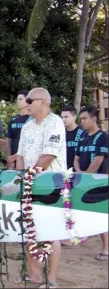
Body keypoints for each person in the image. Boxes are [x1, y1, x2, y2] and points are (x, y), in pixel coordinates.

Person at [15, 87, 65, 288]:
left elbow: (48, 156)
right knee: (30, 228)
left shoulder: (55, 123)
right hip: (28, 182)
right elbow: (19, 154)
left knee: (50, 233)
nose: (26, 104)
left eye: (30, 100)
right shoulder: (27, 125)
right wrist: (19, 178)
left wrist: (28, 175)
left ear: (44, 101)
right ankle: (35, 274)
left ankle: (51, 279)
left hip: (50, 184)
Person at [74, 106, 108, 261]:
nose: (82, 122)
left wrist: (86, 177)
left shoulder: (103, 136)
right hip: (84, 180)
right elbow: (76, 158)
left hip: (99, 181)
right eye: (81, 119)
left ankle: (106, 249)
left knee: (100, 214)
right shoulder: (82, 137)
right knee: (84, 211)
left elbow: (99, 159)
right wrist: (79, 173)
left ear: (94, 119)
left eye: (84, 118)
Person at [5, 90, 31, 168]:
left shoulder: (32, 120)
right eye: (17, 99)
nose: (17, 101)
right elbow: (8, 140)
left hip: (27, 159)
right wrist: (9, 158)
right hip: (12, 161)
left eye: (20, 99)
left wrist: (16, 156)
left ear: (27, 101)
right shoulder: (13, 119)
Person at [61, 106, 84, 170]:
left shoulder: (83, 133)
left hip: (79, 171)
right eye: (62, 117)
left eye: (66, 117)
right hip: (63, 170)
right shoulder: (60, 133)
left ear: (74, 117)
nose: (63, 120)